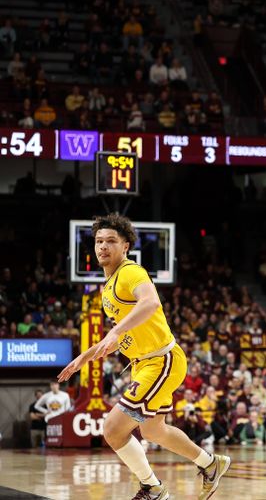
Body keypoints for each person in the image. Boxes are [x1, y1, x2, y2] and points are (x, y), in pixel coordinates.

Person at [57, 213, 230, 500]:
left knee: (112, 429)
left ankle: (153, 488)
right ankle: (211, 464)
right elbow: (122, 337)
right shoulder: (107, 287)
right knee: (153, 431)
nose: (102, 247)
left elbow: (150, 302)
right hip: (144, 364)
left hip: (161, 360)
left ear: (125, 245)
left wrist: (114, 333)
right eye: (99, 241)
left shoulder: (131, 271)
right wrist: (84, 358)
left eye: (110, 241)